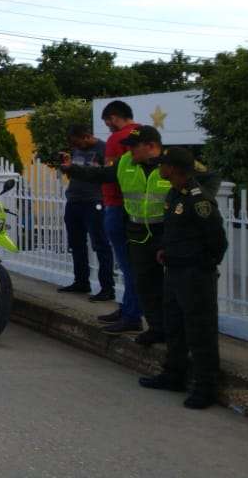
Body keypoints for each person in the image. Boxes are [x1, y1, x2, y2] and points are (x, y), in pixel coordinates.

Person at [63, 126, 179, 345]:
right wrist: (73, 169)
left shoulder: (171, 164)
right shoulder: (126, 162)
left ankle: (170, 330)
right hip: (137, 233)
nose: (129, 151)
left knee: (168, 285)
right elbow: (102, 174)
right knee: (143, 282)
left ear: (151, 146)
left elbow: (203, 180)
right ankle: (155, 328)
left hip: (166, 234)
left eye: (134, 147)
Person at [138, 148, 227, 409]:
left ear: (174, 168)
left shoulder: (199, 200)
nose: (158, 169)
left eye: (162, 165)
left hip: (195, 274)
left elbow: (217, 241)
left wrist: (202, 266)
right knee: (174, 326)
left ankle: (205, 387)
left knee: (200, 331)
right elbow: (176, 231)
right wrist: (167, 250)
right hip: (175, 271)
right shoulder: (175, 193)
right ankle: (174, 374)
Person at [94, 100, 144, 335]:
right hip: (138, 208)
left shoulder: (117, 139)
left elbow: (110, 174)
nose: (108, 128)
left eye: (108, 122)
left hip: (116, 204)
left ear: (114, 117)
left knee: (127, 265)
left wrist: (93, 171)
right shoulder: (143, 133)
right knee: (132, 264)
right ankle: (127, 308)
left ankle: (131, 314)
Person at [58, 124, 115, 300]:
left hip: (94, 201)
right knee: (76, 243)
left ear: (86, 136)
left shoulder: (103, 149)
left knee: (100, 244)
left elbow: (106, 174)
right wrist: (67, 168)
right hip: (74, 200)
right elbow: (75, 175)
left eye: (78, 143)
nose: (76, 147)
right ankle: (81, 281)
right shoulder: (76, 151)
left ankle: (107, 288)